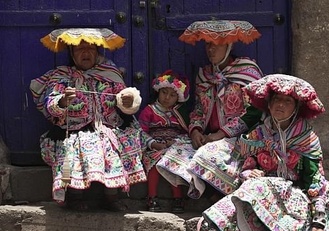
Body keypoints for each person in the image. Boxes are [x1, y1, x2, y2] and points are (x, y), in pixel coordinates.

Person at [198, 74, 329, 231]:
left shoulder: (306, 138)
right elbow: (247, 164)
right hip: (266, 191)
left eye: (287, 101)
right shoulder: (260, 132)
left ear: (296, 108)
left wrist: (318, 220)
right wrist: (250, 173)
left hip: (296, 194)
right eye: (276, 100)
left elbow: (314, 179)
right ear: (268, 105)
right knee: (249, 191)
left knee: (259, 188)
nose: (280, 104)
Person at [30, 28, 146, 211]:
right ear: (72, 54)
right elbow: (50, 105)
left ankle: (112, 197)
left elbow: (126, 99)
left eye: (90, 49)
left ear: (97, 51)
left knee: (111, 142)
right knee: (82, 144)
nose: (86, 53)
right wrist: (63, 101)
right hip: (73, 131)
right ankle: (76, 196)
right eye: (79, 49)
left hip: (108, 127)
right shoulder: (63, 76)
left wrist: (127, 100)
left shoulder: (109, 72)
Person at [156, 20, 263, 200]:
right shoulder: (204, 75)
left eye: (216, 45)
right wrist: (196, 130)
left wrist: (221, 134)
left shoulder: (247, 71)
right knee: (176, 150)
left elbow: (254, 112)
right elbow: (198, 109)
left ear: (228, 46)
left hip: (237, 139)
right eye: (207, 45)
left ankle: (219, 192)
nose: (210, 50)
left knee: (208, 154)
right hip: (208, 136)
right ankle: (200, 189)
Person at [138, 70, 190, 213]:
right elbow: (140, 131)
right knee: (155, 163)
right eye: (164, 93)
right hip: (154, 147)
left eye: (172, 95)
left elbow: (186, 133)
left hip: (174, 147)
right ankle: (152, 197)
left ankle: (178, 197)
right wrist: (153, 144)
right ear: (158, 92)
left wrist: (175, 142)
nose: (167, 98)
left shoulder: (179, 114)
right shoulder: (149, 111)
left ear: (178, 98)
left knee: (174, 163)